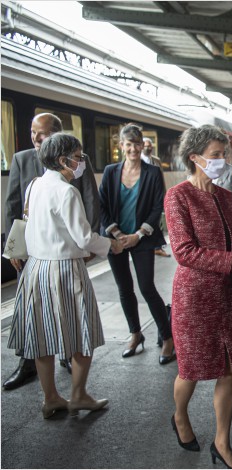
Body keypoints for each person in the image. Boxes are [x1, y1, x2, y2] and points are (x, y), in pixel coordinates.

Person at [7, 133, 122, 418]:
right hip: (64, 270)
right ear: (64, 161)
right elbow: (83, 238)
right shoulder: (67, 191)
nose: (81, 162)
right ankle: (78, 394)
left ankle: (51, 398)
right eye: (79, 157)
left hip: (36, 269)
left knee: (43, 336)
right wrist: (112, 245)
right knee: (83, 333)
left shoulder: (35, 185)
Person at [165, 124, 232, 468]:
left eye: (224, 155)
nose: (224, 161)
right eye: (217, 156)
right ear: (195, 158)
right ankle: (179, 416)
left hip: (227, 295)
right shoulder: (178, 196)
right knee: (190, 369)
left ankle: (222, 442)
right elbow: (184, 251)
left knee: (230, 368)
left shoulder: (225, 197)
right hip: (194, 297)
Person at [3, 113, 99, 390]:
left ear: (57, 134)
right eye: (33, 132)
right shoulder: (21, 159)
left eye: (42, 133)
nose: (36, 138)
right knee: (36, 314)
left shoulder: (77, 160)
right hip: (33, 250)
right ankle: (27, 364)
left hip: (66, 250)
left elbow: (91, 199)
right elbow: (13, 208)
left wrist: (88, 243)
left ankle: (68, 356)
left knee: (66, 310)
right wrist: (13, 249)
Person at [99, 124, 175, 364]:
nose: (133, 148)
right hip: (116, 239)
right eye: (128, 144)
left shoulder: (152, 172)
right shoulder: (111, 172)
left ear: (143, 145)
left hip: (142, 238)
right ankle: (135, 334)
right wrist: (117, 233)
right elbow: (101, 205)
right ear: (121, 146)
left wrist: (138, 235)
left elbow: (157, 206)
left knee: (146, 287)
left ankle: (167, 337)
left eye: (137, 144)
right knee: (124, 289)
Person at [142, 137, 170, 258]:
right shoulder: (137, 161)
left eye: (150, 146)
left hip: (155, 196)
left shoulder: (157, 161)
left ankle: (157, 247)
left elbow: (161, 178)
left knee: (157, 222)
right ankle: (152, 246)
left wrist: (164, 194)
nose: (148, 148)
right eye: (145, 145)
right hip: (144, 197)